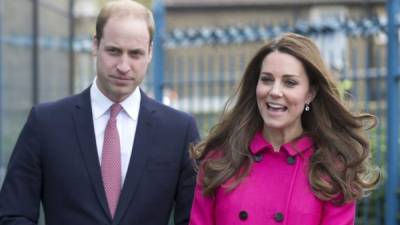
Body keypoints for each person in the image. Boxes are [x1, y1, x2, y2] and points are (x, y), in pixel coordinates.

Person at [0, 1, 199, 225]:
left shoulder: (179, 131)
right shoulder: (46, 124)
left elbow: (194, 219)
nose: (124, 66)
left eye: (135, 54)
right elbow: (13, 214)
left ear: (150, 52)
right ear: (95, 45)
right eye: (114, 51)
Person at [189, 33, 379, 225]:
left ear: (310, 94)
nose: (275, 92)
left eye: (290, 82)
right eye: (267, 80)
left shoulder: (332, 169)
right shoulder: (220, 160)